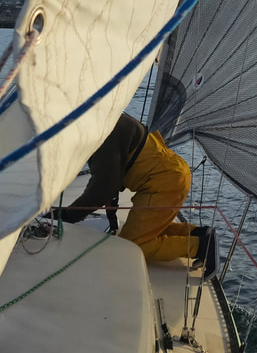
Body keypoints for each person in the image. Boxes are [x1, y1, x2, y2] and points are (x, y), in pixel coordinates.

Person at [56, 113, 218, 278]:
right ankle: (198, 233)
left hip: (164, 181)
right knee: (150, 227)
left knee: (133, 245)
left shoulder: (102, 132)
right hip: (172, 172)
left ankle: (201, 247)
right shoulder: (108, 118)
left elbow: (103, 186)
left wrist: (69, 215)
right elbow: (111, 176)